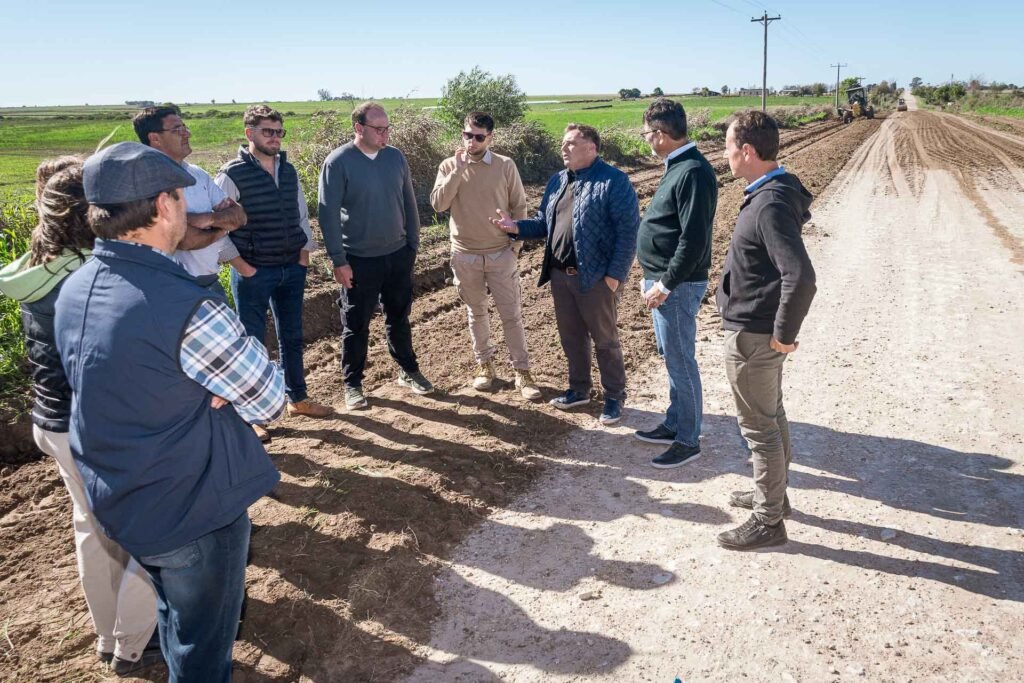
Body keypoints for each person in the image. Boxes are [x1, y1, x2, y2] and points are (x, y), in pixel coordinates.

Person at [54, 142, 285, 680]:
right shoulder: (188, 306)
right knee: (204, 647)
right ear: (163, 206)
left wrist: (198, 384)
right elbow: (270, 399)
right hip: (192, 508)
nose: (187, 207)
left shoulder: (76, 287)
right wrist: (216, 385)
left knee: (173, 614)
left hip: (123, 498)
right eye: (182, 197)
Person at [0, 158, 159, 676]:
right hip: (98, 426)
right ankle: (136, 641)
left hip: (51, 421)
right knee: (143, 531)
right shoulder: (91, 277)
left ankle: (106, 635)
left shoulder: (35, 266)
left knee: (91, 530)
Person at [715, 111, 817, 550]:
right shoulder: (773, 190)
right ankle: (773, 496)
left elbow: (801, 276)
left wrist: (783, 335)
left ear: (748, 151)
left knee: (759, 427)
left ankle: (768, 520)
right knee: (771, 415)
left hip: (754, 335)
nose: (725, 154)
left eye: (728, 146)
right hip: (756, 330)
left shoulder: (771, 202)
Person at [492, 123, 639, 425]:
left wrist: (614, 276)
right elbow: (544, 223)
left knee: (605, 340)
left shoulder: (613, 181)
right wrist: (516, 227)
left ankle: (614, 396)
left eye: (571, 143)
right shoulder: (558, 180)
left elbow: (628, 233)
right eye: (563, 142)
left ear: (591, 148)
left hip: (597, 277)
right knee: (572, 338)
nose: (563, 148)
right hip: (561, 275)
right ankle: (579, 389)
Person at [215, 105, 332, 430]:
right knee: (251, 345)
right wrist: (241, 265)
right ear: (249, 133)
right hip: (253, 272)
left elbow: (299, 214)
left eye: (280, 132)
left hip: (290, 268)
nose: (276, 138)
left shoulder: (288, 170)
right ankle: (252, 416)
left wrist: (304, 253)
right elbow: (218, 228)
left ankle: (298, 399)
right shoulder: (231, 174)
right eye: (269, 132)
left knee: (292, 337)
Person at [318, 101, 433, 410]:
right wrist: (338, 261)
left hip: (397, 254)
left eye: (387, 128)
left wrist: (412, 245)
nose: (386, 135)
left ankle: (408, 371)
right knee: (356, 324)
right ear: (359, 128)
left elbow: (409, 202)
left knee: (399, 317)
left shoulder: (395, 158)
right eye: (379, 129)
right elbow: (327, 215)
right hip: (359, 260)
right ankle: (352, 384)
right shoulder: (338, 162)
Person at [430, 111, 540, 400]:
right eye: (468, 135)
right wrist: (457, 170)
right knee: (475, 312)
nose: (472, 141)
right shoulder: (448, 166)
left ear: (490, 138)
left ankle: (523, 372)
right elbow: (439, 205)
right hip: (464, 255)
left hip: (499, 253)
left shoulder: (505, 165)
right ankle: (485, 367)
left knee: (511, 315)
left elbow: (519, 207)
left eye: (479, 137)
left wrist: (514, 247)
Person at [634, 98, 718, 468]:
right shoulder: (678, 166)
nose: (646, 140)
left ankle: (688, 439)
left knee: (681, 361)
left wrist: (665, 284)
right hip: (664, 280)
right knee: (672, 358)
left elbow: (693, 239)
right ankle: (674, 422)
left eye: (647, 133)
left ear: (662, 135)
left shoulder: (693, 172)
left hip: (677, 286)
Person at [132, 105, 247, 291]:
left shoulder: (197, 174)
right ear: (155, 138)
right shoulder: (148, 181)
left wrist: (206, 219)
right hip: (174, 287)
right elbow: (186, 240)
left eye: (184, 127)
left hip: (210, 281)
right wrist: (222, 229)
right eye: (177, 129)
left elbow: (239, 215)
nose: (187, 134)